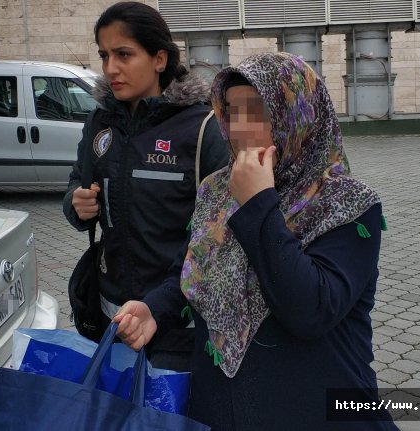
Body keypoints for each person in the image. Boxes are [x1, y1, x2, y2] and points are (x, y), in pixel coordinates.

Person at [114, 52, 399, 430]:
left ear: (298, 115)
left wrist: (259, 204)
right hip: (220, 412)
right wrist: (155, 310)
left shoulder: (346, 203)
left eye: (259, 110)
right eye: (232, 111)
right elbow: (189, 272)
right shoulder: (216, 190)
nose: (242, 127)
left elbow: (309, 309)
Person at [63, 2, 229, 371]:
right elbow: (78, 181)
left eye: (124, 54)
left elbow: (218, 235)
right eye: (104, 55)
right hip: (112, 313)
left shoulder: (202, 128)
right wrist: (76, 204)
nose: (110, 68)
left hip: (178, 320)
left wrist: (163, 305)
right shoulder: (99, 122)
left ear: (159, 59)